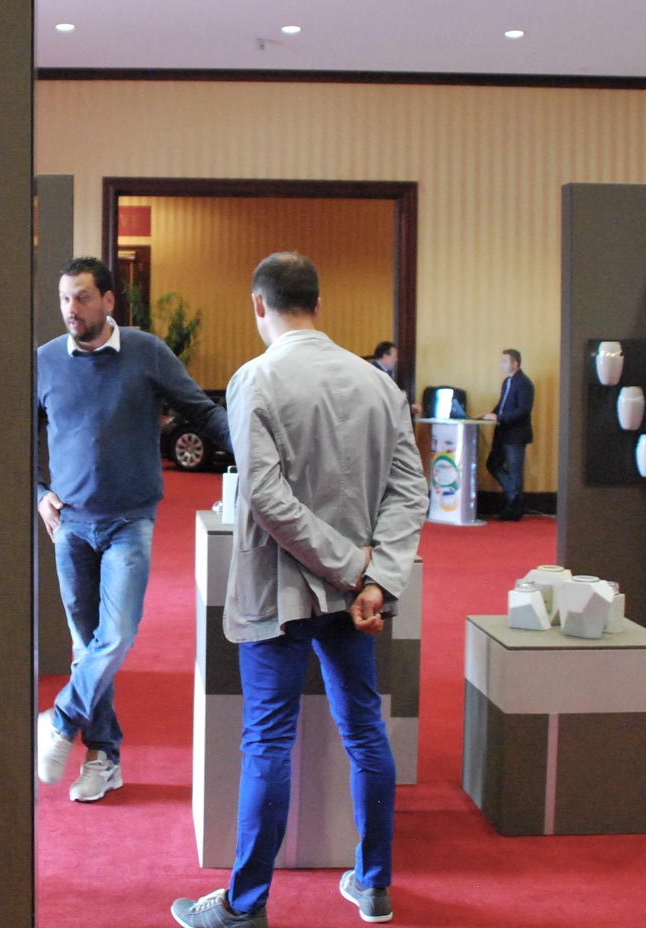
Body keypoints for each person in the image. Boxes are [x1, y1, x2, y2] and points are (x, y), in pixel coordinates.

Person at [170, 253, 428, 927]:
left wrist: (349, 569)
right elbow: (411, 491)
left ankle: (245, 905)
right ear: (318, 302)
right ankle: (374, 884)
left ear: (259, 305)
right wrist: (374, 577)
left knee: (267, 742)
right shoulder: (379, 385)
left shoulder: (254, 379)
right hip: (355, 598)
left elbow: (264, 498)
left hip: (278, 590)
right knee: (366, 731)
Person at [36, 257, 231, 803]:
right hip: (70, 525)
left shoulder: (146, 352)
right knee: (86, 649)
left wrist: (253, 447)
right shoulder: (45, 361)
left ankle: (60, 720)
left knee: (116, 635)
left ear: (108, 301)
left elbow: (200, 410)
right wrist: (38, 492)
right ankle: (104, 757)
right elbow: (19, 433)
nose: (71, 309)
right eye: (64, 299)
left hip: (129, 521)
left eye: (81, 297)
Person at [482, 348, 534, 521]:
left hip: (516, 435)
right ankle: (515, 496)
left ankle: (515, 509)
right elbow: (502, 405)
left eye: (504, 361)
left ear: (515, 364)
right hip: (502, 432)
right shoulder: (507, 382)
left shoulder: (524, 383)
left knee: (514, 471)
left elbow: (523, 411)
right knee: (493, 464)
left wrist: (499, 418)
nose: (501, 364)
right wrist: (490, 415)